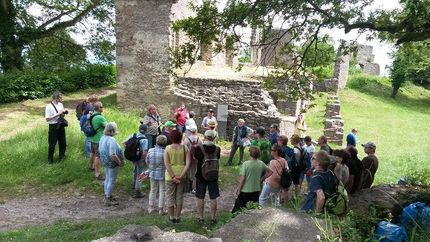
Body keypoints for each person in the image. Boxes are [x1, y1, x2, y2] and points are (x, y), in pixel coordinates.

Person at [232, 147, 273, 213]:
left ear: (250, 154)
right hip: (256, 190)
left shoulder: (246, 164)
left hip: (245, 190)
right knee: (252, 208)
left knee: (237, 209)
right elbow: (271, 172)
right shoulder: (260, 163)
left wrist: (238, 189)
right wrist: (262, 178)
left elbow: (242, 178)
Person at [194, 130, 221, 225]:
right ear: (214, 138)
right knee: (213, 197)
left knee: (200, 197)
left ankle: (201, 218)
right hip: (213, 175)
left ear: (204, 137)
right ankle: (213, 218)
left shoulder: (198, 148)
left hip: (201, 175)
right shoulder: (218, 149)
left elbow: (195, 159)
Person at [164, 130, 191, 223]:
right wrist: (180, 176)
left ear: (171, 138)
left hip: (170, 176)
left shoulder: (167, 148)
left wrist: (173, 177)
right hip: (181, 175)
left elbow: (166, 164)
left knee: (170, 196)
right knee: (179, 196)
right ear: (180, 137)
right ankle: (178, 217)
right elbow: (188, 163)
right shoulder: (185, 148)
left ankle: (171, 217)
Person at [99, 122, 124, 206]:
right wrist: (119, 162)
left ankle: (106, 194)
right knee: (112, 180)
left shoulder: (102, 137)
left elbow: (100, 150)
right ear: (113, 131)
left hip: (104, 161)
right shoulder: (111, 140)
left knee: (107, 178)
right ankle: (108, 198)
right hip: (111, 162)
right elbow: (113, 155)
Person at [124, 124, 148, 198]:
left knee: (135, 170)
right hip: (139, 158)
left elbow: (124, 143)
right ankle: (138, 191)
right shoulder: (144, 139)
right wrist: (144, 159)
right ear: (146, 131)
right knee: (140, 173)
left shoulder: (133, 135)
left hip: (133, 157)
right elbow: (144, 152)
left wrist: (131, 151)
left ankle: (134, 184)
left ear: (139, 129)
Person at [145, 135, 168, 214]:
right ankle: (161, 209)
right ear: (165, 143)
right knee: (162, 191)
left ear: (156, 141)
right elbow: (167, 164)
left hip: (152, 173)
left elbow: (147, 161)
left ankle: (151, 207)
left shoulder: (150, 150)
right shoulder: (165, 152)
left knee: (153, 190)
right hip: (162, 173)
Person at [45, 91, 68, 164]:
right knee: (52, 143)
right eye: (60, 98)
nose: (62, 99)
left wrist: (64, 112)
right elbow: (47, 119)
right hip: (53, 126)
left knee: (63, 142)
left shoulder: (60, 104)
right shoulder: (48, 106)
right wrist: (57, 114)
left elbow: (61, 115)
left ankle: (62, 157)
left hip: (60, 124)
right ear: (55, 98)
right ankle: (50, 160)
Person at [89, 101, 106, 180]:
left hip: (92, 138)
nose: (103, 108)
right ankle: (97, 173)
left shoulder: (92, 114)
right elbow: (108, 126)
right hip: (98, 139)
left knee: (92, 152)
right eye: (101, 107)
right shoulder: (100, 117)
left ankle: (91, 166)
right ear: (98, 108)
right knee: (98, 156)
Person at [183, 124, 202, 193]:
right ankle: (194, 188)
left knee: (187, 172)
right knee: (194, 174)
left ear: (190, 131)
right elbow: (201, 149)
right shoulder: (199, 140)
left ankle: (187, 188)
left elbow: (183, 149)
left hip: (187, 159)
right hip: (196, 159)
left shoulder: (186, 140)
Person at [80, 94, 99, 159]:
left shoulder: (87, 105)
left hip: (85, 125)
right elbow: (89, 117)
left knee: (88, 139)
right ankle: (88, 155)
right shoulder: (90, 107)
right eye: (97, 101)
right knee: (89, 139)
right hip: (88, 125)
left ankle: (89, 154)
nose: (98, 102)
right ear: (94, 101)